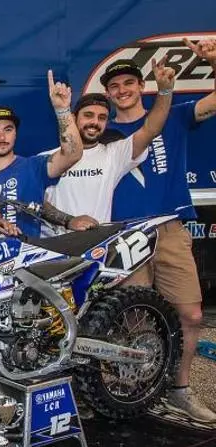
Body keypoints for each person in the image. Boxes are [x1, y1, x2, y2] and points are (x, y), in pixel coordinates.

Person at [105, 38, 216, 422]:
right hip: (124, 234)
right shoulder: (102, 135)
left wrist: (213, 60)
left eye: (129, 83)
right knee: (134, 318)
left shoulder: (174, 115)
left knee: (191, 314)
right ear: (108, 94)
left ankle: (179, 390)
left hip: (169, 228)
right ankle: (138, 392)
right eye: (114, 86)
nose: (122, 90)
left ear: (142, 86)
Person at [45, 58, 175, 226]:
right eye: (88, 115)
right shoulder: (47, 158)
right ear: (74, 118)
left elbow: (151, 129)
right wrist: (69, 221)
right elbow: (36, 202)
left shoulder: (114, 155)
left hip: (97, 242)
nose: (94, 122)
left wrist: (165, 91)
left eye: (102, 117)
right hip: (55, 242)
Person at [0, 71, 94, 235]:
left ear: (15, 134)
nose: (2, 137)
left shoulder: (34, 166)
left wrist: (62, 110)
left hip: (31, 251)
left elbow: (72, 153)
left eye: (8, 129)